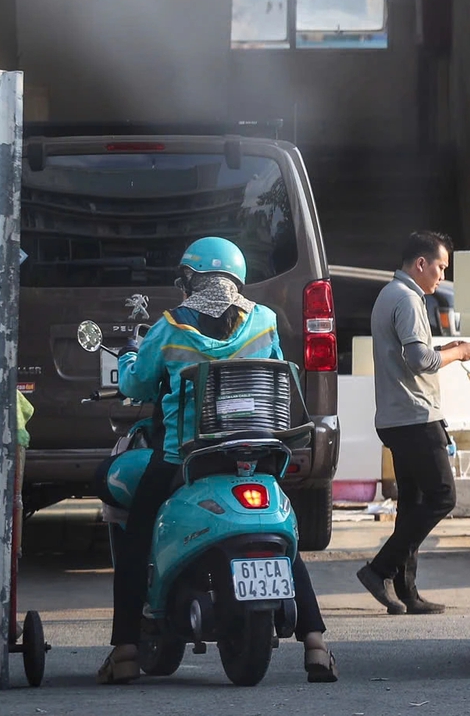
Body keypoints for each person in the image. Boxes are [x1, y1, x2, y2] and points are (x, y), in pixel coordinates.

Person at [97, 237, 337, 685]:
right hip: (256, 456)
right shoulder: (264, 321)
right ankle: (317, 645)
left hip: (185, 460)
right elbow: (279, 375)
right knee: (284, 540)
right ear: (236, 279)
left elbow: (138, 384)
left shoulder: (170, 328)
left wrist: (131, 353)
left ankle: (127, 648)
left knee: (135, 535)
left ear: (191, 280)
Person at [356, 230, 470, 615]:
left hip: (399, 416)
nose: (442, 275)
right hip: (414, 416)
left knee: (414, 502)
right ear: (420, 264)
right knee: (443, 496)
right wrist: (457, 352)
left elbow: (414, 352)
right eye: (440, 267)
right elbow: (419, 360)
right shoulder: (407, 299)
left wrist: (443, 349)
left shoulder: (391, 295)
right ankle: (380, 570)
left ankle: (406, 590)